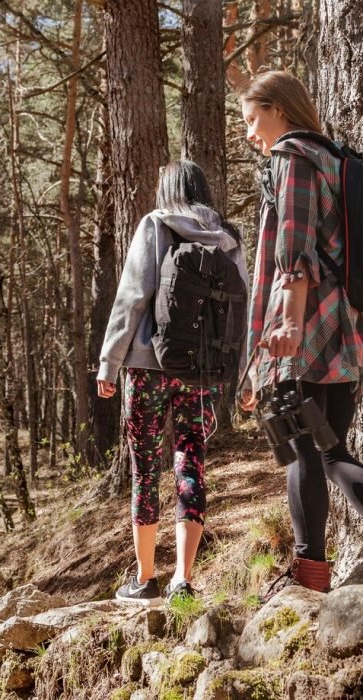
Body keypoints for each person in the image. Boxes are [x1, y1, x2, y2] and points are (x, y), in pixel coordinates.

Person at [96, 160, 248, 606]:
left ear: (167, 190)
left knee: (145, 466)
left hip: (146, 367)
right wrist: (242, 375)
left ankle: (146, 580)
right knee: (191, 458)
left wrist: (109, 362)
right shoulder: (228, 237)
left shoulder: (155, 224)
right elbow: (242, 306)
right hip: (200, 369)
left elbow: (133, 295)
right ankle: (183, 577)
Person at [239, 70, 363, 593]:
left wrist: (287, 323)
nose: (249, 134)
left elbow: (295, 249)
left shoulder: (293, 157)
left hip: (308, 322)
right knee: (334, 450)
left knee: (302, 448)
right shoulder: (334, 158)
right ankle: (311, 569)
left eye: (252, 119)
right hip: (344, 322)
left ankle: (308, 573)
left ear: (279, 110)